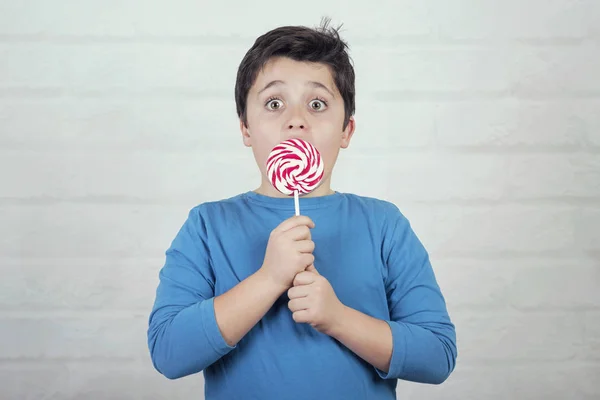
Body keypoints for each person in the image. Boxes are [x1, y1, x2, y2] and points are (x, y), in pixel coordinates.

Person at [147, 18, 457, 399]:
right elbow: (168, 352)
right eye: (274, 103)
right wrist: (269, 279)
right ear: (245, 128)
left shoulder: (383, 225)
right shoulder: (208, 226)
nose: (296, 120)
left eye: (317, 104)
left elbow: (437, 356)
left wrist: (338, 318)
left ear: (346, 130)